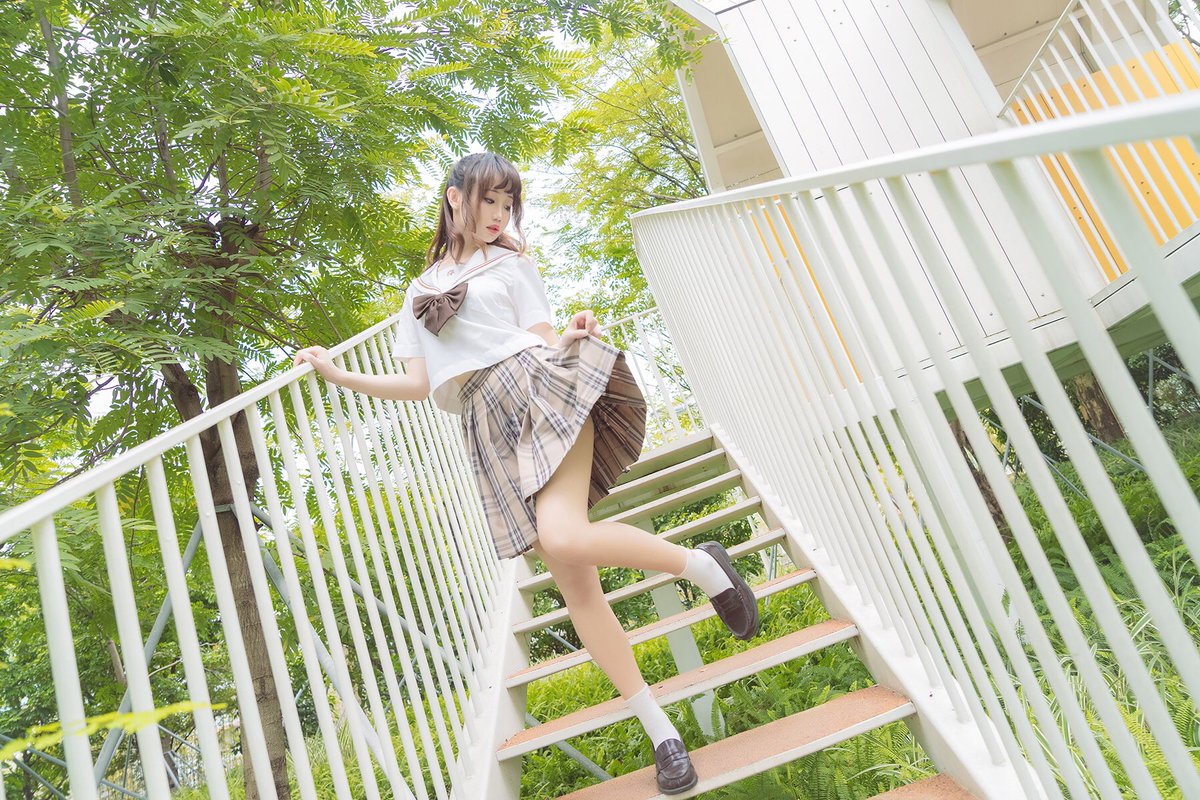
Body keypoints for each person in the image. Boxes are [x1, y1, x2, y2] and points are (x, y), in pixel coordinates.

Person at [293, 151, 759, 795]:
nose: (499, 214)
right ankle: (663, 735)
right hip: (484, 426)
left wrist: (572, 335)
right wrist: (337, 375)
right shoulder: (419, 292)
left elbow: (540, 339)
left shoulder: (512, 264)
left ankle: (703, 567)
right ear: (454, 197)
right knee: (577, 589)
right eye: (489, 199)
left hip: (539, 392)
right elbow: (417, 384)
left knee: (564, 535)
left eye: (508, 204)